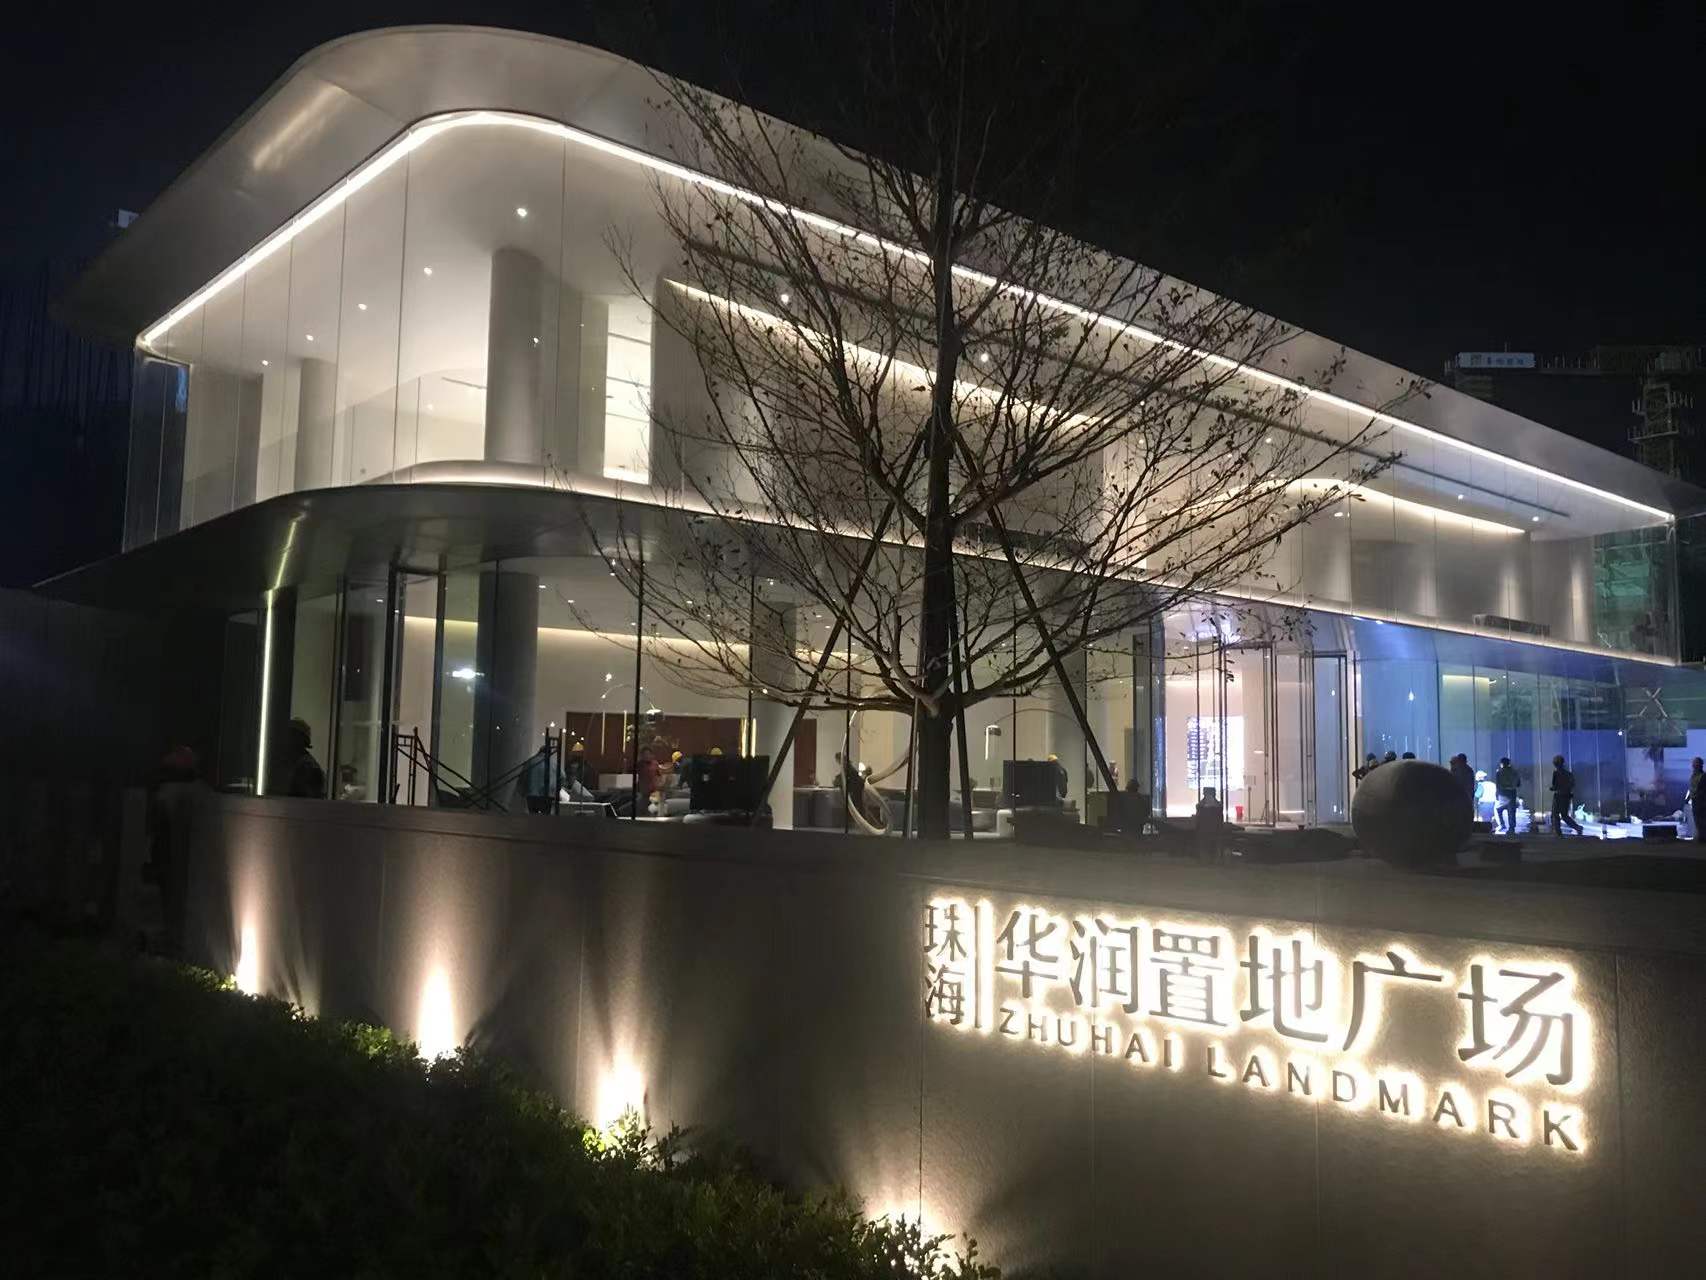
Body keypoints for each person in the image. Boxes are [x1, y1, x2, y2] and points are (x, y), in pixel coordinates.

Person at [281, 718, 326, 798]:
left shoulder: (308, 767)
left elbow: (309, 799)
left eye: (291, 735)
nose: (287, 740)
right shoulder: (294, 763)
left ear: (301, 739)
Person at [1549, 754, 1584, 837]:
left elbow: (1555, 786)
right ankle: (1576, 828)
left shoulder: (1556, 773)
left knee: (1556, 814)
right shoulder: (1568, 774)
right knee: (1564, 815)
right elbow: (1572, 784)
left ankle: (1558, 832)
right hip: (1566, 796)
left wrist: (1554, 788)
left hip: (1559, 796)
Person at [1194, 786, 1225, 863]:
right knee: (1213, 844)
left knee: (1205, 844)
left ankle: (1205, 858)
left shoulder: (1200, 806)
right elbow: (1220, 819)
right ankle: (1212, 858)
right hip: (1214, 829)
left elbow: (1198, 819)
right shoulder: (1218, 806)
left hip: (1205, 830)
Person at [1493, 757, 1521, 834]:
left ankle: (1502, 824)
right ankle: (1512, 828)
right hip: (1512, 792)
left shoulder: (1499, 772)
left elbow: (1498, 785)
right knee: (1511, 811)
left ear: (1501, 763)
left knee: (1498, 809)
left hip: (1503, 793)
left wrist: (1497, 794)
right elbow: (1518, 784)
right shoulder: (1514, 772)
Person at [1689, 756, 1706, 840]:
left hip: (1701, 801)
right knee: (1697, 819)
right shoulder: (1693, 776)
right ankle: (1701, 835)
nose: (1693, 765)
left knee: (1702, 818)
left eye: (1695, 763)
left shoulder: (1703, 776)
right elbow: (1692, 787)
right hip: (1695, 800)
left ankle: (1703, 836)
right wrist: (1689, 798)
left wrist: (1699, 796)